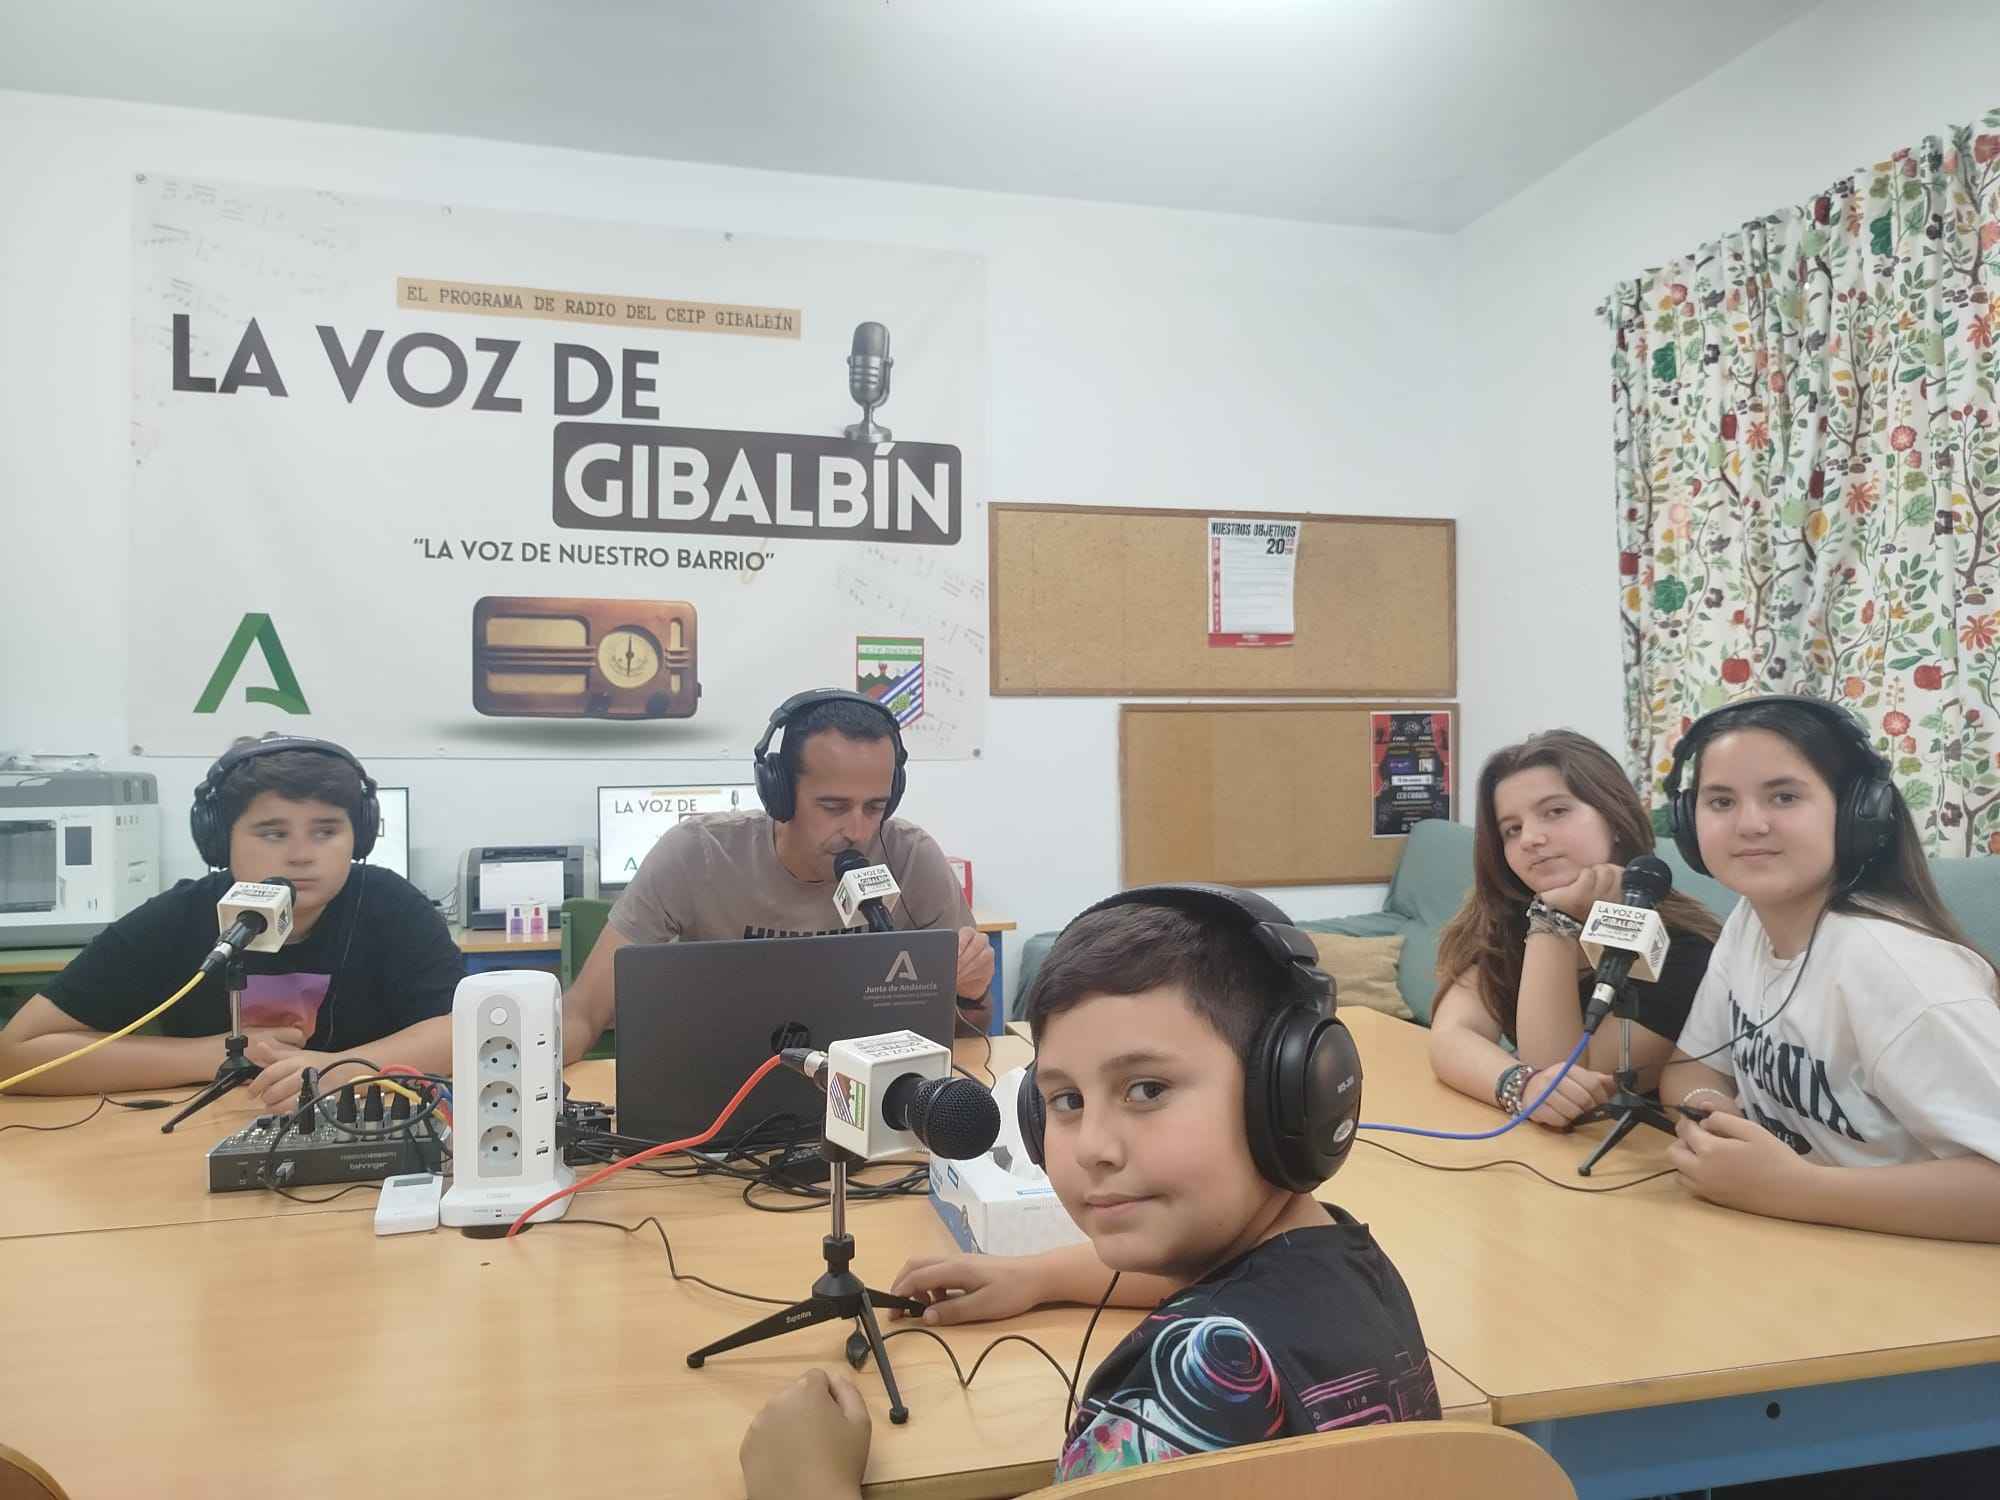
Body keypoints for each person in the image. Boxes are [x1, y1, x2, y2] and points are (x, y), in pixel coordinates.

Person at [738, 886, 1439, 1497]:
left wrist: (803, 1482)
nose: (1094, 1146)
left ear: (1287, 1096)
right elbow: (1203, 1285)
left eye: (1147, 1089)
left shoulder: (1176, 1394)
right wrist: (1037, 1276)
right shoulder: (1350, 1265)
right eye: (1066, 1100)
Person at [1658, 696, 2000, 1242]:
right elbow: (1691, 1069)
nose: (1750, 824)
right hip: (1813, 1248)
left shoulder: (1897, 972)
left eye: (1784, 796)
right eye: (1720, 801)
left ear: (1856, 813)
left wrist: (1791, 1188)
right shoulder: (1752, 921)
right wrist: (1713, 1119)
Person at [0, 736, 460, 1105]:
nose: (301, 855)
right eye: (273, 833)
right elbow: (16, 1056)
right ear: (220, 842)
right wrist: (217, 1056)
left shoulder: (390, 904)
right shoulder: (175, 918)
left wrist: (339, 1070)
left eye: (326, 831)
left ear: (357, 838)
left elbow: (466, 1030)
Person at [563, 689, 993, 1059]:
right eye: (833, 807)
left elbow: (968, 1026)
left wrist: (971, 990)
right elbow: (583, 1011)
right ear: (779, 793)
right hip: (723, 1097)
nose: (858, 831)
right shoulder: (697, 855)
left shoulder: (910, 857)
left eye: (875, 807)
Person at [1427, 730, 1720, 1125]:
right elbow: (1453, 1034)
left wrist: (1553, 921)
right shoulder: (1507, 918)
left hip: (1632, 1159)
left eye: (1555, 811)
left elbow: (1570, 1082)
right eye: (1511, 829)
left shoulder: (1687, 951)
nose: (1531, 838)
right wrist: (1519, 1085)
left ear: (1614, 818)